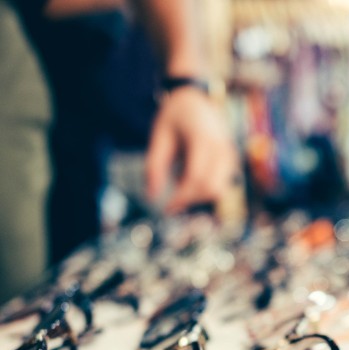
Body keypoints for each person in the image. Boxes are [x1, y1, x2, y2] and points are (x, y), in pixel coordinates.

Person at [0, 0, 237, 303]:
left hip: (80, 70)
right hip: (41, 57)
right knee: (27, 297)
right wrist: (185, 82)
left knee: (60, 277)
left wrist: (185, 82)